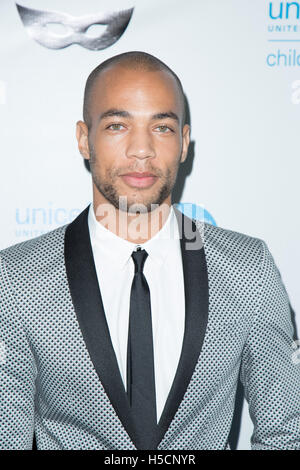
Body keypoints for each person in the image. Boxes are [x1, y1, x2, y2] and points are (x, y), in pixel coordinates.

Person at [0, 51, 299, 451]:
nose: (141, 150)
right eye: (117, 125)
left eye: (161, 127)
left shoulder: (247, 269)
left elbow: (286, 434)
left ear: (184, 143)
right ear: (84, 139)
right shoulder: (17, 278)